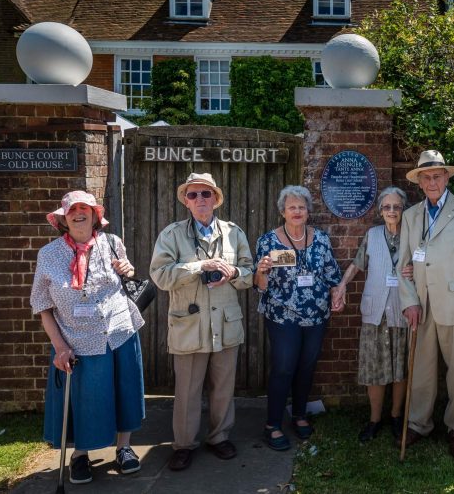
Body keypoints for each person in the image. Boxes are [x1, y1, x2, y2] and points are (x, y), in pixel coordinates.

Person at [31, 191, 145, 484]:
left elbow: (127, 275)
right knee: (86, 400)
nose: (79, 213)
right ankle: (80, 454)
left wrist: (128, 269)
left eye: (85, 208)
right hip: (77, 339)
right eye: (72, 210)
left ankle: (124, 448)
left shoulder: (111, 243)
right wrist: (59, 347)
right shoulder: (49, 255)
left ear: (96, 215)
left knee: (125, 391)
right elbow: (42, 306)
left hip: (120, 331)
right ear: (63, 219)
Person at [149, 173, 254, 471]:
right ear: (186, 201)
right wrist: (199, 266)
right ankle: (183, 444)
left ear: (216, 199)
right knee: (187, 391)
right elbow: (160, 276)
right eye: (193, 195)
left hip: (225, 322)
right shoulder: (171, 235)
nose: (200, 200)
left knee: (223, 387)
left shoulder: (234, 233)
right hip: (189, 325)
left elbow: (249, 273)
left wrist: (233, 274)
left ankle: (219, 437)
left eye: (205, 194)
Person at [398, 150, 454, 459]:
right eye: (426, 177)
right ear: (419, 182)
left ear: (446, 178)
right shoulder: (410, 216)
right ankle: (418, 423)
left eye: (438, 176)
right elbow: (403, 264)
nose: (432, 181)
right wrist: (409, 301)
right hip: (421, 306)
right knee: (421, 369)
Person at [254, 185, 342, 451]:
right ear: (282, 211)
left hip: (316, 315)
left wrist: (339, 291)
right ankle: (272, 425)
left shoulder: (322, 239)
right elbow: (260, 285)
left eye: (301, 207)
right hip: (283, 316)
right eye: (292, 207)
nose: (297, 211)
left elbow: (332, 274)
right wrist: (262, 271)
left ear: (308, 211)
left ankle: (300, 415)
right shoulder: (268, 242)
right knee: (283, 368)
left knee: (307, 366)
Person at [334, 187, 411, 442]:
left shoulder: (412, 235)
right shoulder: (372, 234)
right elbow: (358, 263)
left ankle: (397, 417)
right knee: (373, 369)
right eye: (387, 207)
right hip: (375, 311)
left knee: (400, 368)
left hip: (402, 310)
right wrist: (343, 285)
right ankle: (374, 419)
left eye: (397, 207)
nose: (392, 211)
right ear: (380, 210)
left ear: (403, 209)